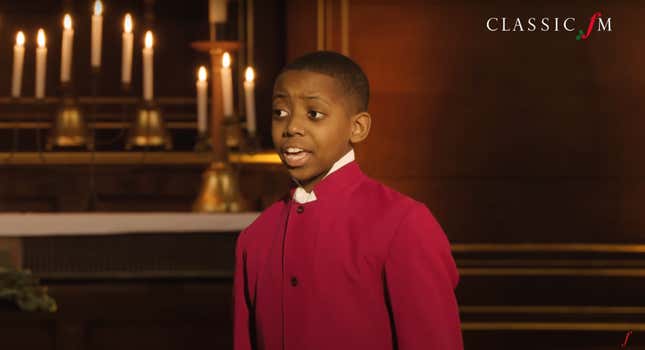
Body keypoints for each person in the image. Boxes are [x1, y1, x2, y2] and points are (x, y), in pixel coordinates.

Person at [233, 50, 463, 350]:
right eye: (280, 112)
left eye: (314, 114)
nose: (291, 128)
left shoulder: (403, 224)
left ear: (358, 127)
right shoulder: (256, 238)